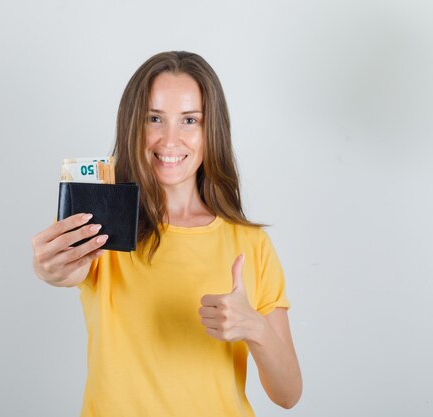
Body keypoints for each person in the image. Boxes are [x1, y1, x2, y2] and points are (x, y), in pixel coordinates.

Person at [32, 51, 302, 416]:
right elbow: (66, 271)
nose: (170, 140)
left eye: (190, 120)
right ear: (133, 125)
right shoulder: (103, 224)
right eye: (154, 118)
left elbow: (288, 394)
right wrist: (50, 268)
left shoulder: (250, 243)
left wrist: (254, 327)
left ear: (212, 131)